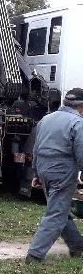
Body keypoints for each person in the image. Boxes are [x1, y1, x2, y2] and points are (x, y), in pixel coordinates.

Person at [26, 87, 83, 264]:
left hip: (43, 169)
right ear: (81, 106)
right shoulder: (77, 123)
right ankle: (35, 255)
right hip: (62, 171)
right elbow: (81, 152)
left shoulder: (46, 119)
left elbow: (36, 147)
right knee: (56, 213)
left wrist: (35, 173)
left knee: (60, 209)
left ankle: (77, 245)